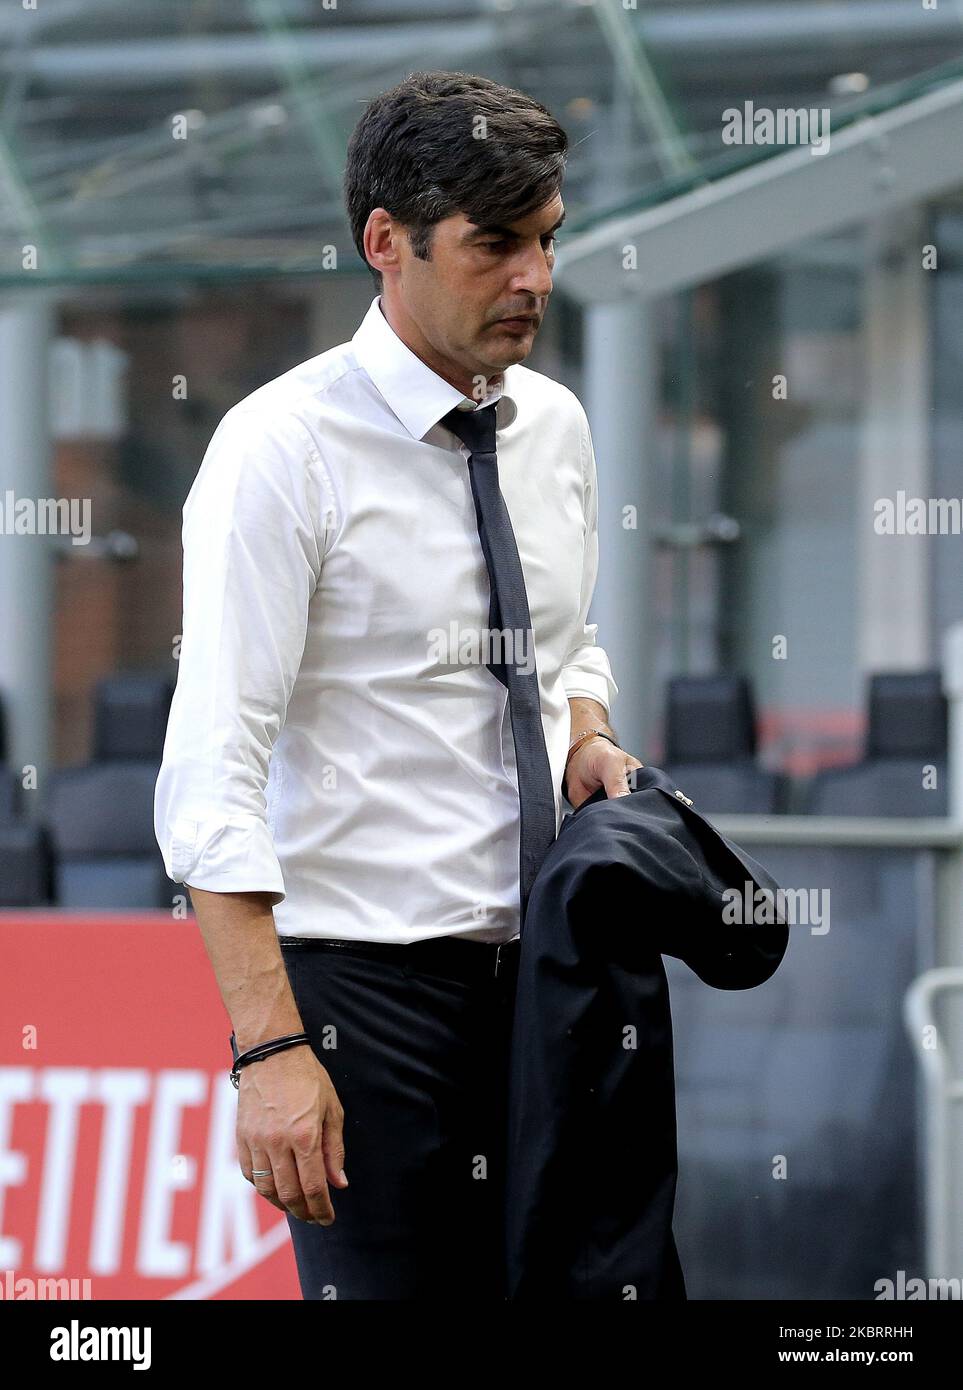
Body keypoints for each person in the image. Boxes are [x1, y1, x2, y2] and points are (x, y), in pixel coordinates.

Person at [154, 69, 643, 1301]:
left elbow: (570, 640)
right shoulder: (280, 449)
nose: (535, 277)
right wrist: (270, 1047)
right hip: (364, 1002)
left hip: (554, 985)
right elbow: (211, 771)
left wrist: (585, 729)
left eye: (548, 239)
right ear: (387, 242)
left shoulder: (557, 426)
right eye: (496, 244)